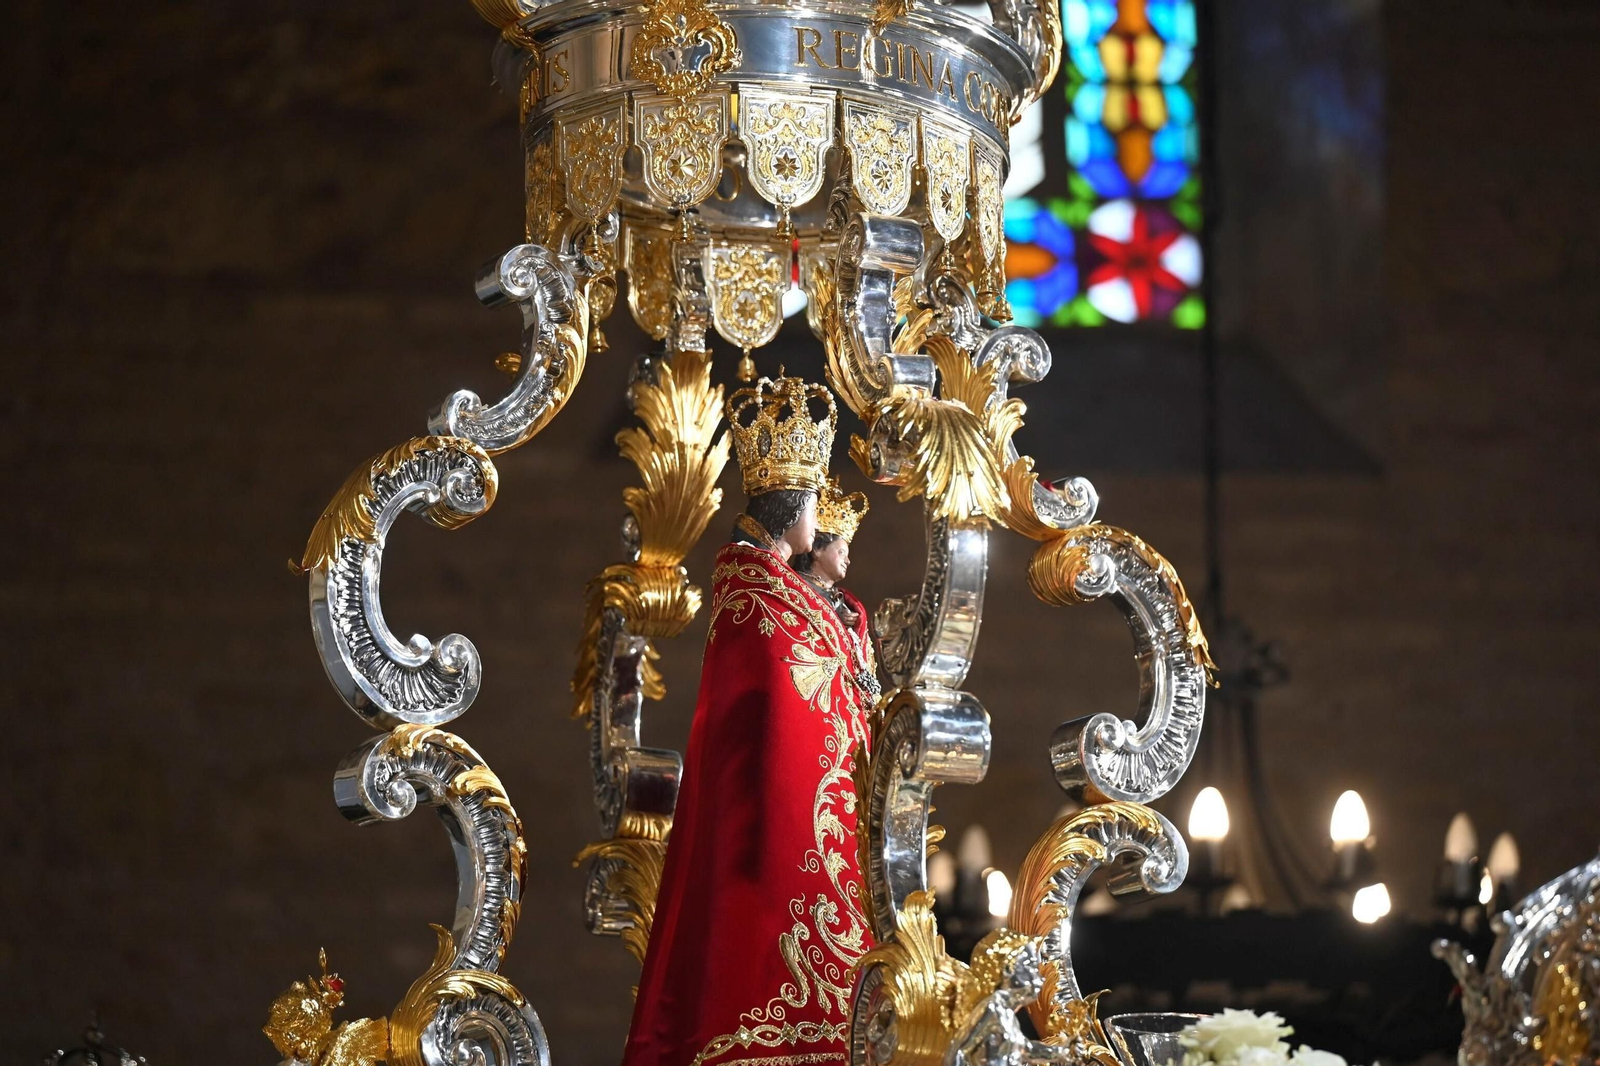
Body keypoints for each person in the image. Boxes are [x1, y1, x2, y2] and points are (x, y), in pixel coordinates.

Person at [621, 375, 877, 1066]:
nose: (819, 520)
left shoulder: (782, 593)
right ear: (793, 508)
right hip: (767, 846)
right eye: (814, 504)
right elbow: (786, 716)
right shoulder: (758, 602)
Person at [792, 478, 879, 703]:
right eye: (841, 553)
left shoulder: (842, 600)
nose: (848, 561)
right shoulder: (797, 588)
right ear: (818, 551)